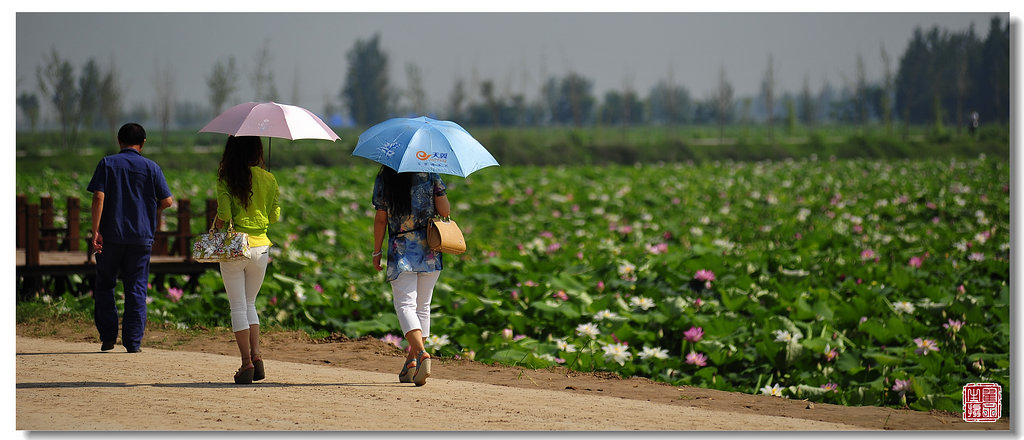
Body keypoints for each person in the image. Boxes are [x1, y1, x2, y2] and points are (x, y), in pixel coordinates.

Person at [87, 122, 174, 353]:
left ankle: (107, 337)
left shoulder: (107, 163)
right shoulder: (151, 168)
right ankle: (133, 343)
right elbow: (167, 201)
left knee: (105, 285)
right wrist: (148, 211)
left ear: (119, 141)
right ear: (143, 143)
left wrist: (95, 230)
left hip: (110, 236)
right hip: (140, 237)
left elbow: (98, 197)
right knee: (136, 288)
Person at [371, 166, 450, 386]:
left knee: (405, 305)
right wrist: (438, 187)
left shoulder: (385, 176)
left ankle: (421, 353)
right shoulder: (431, 173)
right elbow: (444, 212)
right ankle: (411, 361)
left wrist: (376, 251)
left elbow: (380, 219)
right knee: (423, 306)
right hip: (430, 248)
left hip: (401, 248)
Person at [214, 136, 280, 384]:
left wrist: (220, 220)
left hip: (235, 248)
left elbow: (224, 214)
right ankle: (257, 356)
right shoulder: (269, 178)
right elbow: (274, 217)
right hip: (261, 247)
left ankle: (246, 363)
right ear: (258, 151)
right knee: (250, 303)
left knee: (238, 307)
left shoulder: (226, 178)